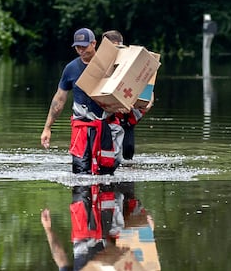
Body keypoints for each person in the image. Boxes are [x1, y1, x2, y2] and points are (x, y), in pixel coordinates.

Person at [41, 28, 117, 174]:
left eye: (84, 46)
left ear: (94, 43)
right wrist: (47, 128)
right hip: (81, 128)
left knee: (106, 173)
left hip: (105, 127)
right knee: (80, 175)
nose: (81, 50)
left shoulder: (108, 65)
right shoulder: (71, 68)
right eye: (78, 47)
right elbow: (59, 99)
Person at [101, 30, 154, 162]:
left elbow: (148, 89)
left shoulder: (131, 64)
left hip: (128, 117)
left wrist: (148, 103)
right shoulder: (99, 66)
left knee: (127, 153)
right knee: (107, 156)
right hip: (107, 117)